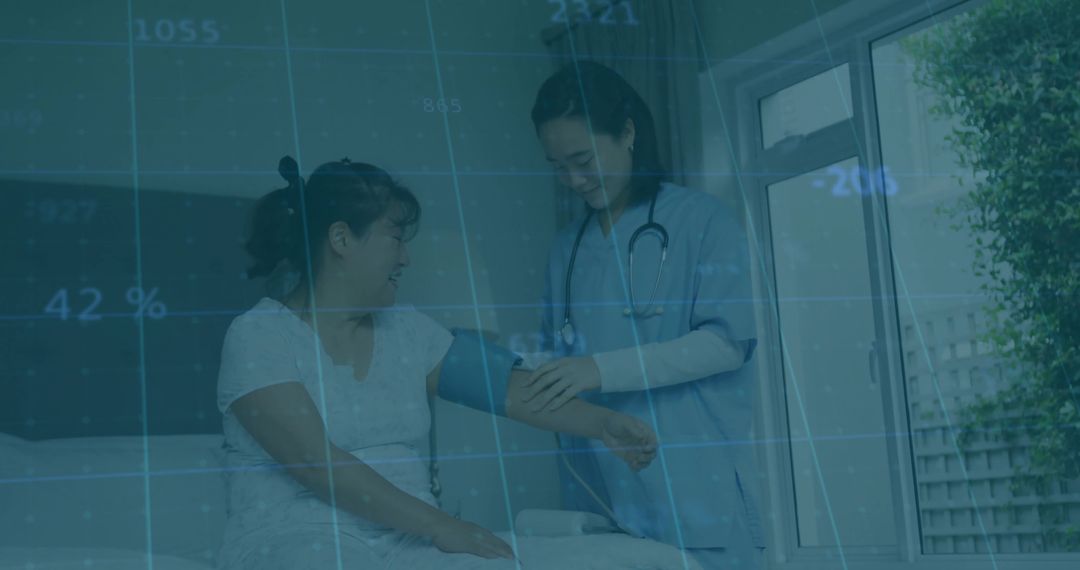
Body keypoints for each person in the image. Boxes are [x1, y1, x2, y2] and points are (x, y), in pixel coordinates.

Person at [215, 156, 694, 570]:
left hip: (408, 542)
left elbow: (509, 388)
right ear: (341, 238)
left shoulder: (409, 330)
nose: (406, 257)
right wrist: (444, 526)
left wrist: (602, 423)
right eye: (395, 237)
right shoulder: (259, 336)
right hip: (298, 538)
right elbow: (316, 464)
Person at [521, 61, 766, 569]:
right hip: (603, 496)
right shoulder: (566, 251)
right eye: (557, 166)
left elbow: (727, 343)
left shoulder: (702, 221)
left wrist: (599, 368)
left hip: (696, 490)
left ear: (628, 132)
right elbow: (550, 366)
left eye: (583, 158)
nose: (573, 179)